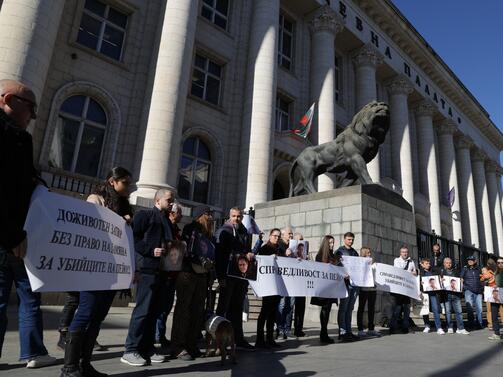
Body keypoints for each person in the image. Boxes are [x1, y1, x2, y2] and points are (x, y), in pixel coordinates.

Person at [0, 79, 57, 369]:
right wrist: (12, 235)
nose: (33, 117)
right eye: (31, 108)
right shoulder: (11, 135)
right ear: (9, 100)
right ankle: (33, 351)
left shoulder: (17, 135)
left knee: (27, 293)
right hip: (11, 237)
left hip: (16, 235)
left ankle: (34, 351)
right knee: (28, 294)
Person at [61, 167, 134, 377]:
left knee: (98, 317)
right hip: (93, 268)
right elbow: (90, 228)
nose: (129, 187)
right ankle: (69, 368)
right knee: (85, 313)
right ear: (113, 181)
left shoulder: (124, 205)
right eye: (125, 183)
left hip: (112, 270)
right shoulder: (96, 199)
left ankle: (85, 364)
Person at [121, 189, 175, 367]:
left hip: (162, 272)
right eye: (169, 200)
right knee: (142, 311)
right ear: (158, 200)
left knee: (154, 312)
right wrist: (150, 251)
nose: (171, 203)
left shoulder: (167, 220)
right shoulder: (145, 215)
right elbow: (133, 239)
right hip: (148, 270)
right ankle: (131, 349)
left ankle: (147, 348)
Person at [170, 205, 215, 360]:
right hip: (188, 273)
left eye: (211, 214)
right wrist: (201, 260)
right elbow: (187, 251)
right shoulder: (191, 228)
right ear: (200, 215)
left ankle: (191, 344)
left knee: (197, 312)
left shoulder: (208, 235)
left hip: (202, 276)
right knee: (183, 311)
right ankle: (178, 346)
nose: (210, 217)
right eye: (207, 214)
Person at [215, 207, 254, 350]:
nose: (236, 218)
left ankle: (238, 339)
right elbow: (219, 255)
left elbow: (245, 250)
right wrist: (220, 277)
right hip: (228, 275)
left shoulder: (243, 231)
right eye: (233, 216)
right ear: (229, 216)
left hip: (240, 275)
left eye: (238, 216)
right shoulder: (223, 231)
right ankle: (218, 341)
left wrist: (249, 253)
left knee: (237, 308)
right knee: (223, 308)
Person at [155, 203, 183, 349]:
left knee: (166, 307)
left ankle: (160, 335)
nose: (181, 216)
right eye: (179, 213)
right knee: (160, 307)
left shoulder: (176, 230)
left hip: (173, 273)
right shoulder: (166, 228)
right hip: (163, 272)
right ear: (172, 214)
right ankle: (157, 336)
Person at [256, 229, 284, 348]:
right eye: (275, 236)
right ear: (270, 236)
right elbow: (259, 261)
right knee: (264, 312)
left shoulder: (280, 249)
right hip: (267, 285)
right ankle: (260, 339)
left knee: (272, 313)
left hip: (277, 285)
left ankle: (270, 338)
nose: (277, 238)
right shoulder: (264, 248)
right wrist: (269, 258)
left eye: (278, 236)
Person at [311, 235, 339, 343]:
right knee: (324, 309)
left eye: (333, 243)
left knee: (327, 310)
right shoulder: (320, 256)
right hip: (323, 288)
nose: (332, 245)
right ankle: (323, 333)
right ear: (326, 244)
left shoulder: (333, 256)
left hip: (331, 288)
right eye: (330, 243)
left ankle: (324, 333)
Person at [335, 232, 360, 341]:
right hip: (344, 284)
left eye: (352, 239)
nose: (351, 241)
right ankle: (343, 332)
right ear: (344, 239)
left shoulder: (354, 252)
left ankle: (349, 331)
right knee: (343, 308)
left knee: (350, 308)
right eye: (349, 239)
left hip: (354, 284)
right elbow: (335, 267)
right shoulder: (339, 252)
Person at [389, 246, 417, 334]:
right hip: (399, 289)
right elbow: (399, 271)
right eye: (403, 252)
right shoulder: (396, 260)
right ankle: (393, 327)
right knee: (397, 309)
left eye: (406, 252)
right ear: (400, 253)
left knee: (407, 309)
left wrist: (415, 272)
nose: (405, 253)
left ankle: (405, 327)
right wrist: (410, 272)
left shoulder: (411, 261)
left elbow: (415, 272)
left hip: (407, 289)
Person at [440, 258, 469, 335]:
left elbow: (460, 280)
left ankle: (461, 328)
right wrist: (441, 281)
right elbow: (438, 284)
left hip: (456, 294)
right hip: (446, 294)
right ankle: (450, 327)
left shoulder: (456, 271)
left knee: (459, 312)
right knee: (448, 312)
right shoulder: (441, 272)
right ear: (444, 263)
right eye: (447, 263)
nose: (448, 264)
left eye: (450, 263)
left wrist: (461, 281)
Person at [356, 247, 381, 337]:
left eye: (370, 252)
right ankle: (360, 329)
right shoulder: (360, 264)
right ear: (364, 253)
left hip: (372, 289)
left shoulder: (373, 264)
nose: (370, 254)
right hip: (364, 289)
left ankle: (371, 328)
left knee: (371, 309)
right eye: (368, 253)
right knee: (361, 309)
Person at [277, 227, 294, 339]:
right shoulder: (279, 246)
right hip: (283, 280)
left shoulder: (293, 246)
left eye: (292, 234)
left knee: (291, 305)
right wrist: (285, 254)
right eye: (289, 234)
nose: (291, 236)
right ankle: (279, 328)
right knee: (282, 305)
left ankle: (287, 329)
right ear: (283, 235)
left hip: (293, 280)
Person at [418, 258, 444, 335]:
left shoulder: (433, 271)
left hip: (433, 294)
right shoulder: (419, 273)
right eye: (426, 263)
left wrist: (440, 281)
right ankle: (427, 326)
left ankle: (439, 327)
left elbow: (438, 279)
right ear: (422, 264)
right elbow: (415, 282)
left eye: (429, 263)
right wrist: (420, 283)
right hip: (425, 294)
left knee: (436, 310)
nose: (428, 265)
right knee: (425, 310)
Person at [460, 256, 483, 330]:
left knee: (479, 309)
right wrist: (464, 288)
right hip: (468, 290)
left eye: (471, 260)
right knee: (469, 309)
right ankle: (471, 324)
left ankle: (479, 323)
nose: (470, 261)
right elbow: (461, 278)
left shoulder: (479, 268)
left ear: (475, 261)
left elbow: (483, 277)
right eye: (468, 260)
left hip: (478, 291)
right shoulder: (465, 268)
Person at [488, 257, 503, 341]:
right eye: (498, 263)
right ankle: (496, 333)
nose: (500, 264)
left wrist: (499, 285)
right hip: (495, 293)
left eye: (502, 263)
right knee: (494, 314)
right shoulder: (495, 272)